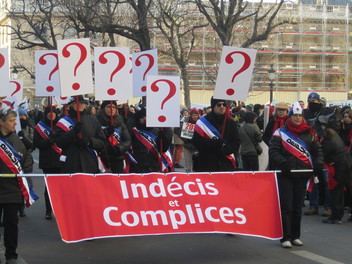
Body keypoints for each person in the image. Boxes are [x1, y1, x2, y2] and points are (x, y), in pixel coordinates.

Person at [269, 102, 324, 248]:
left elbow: (317, 151)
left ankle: (295, 236)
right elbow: (273, 151)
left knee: (297, 207)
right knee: (286, 207)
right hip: (286, 174)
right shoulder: (280, 132)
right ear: (290, 116)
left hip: (302, 174)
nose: (298, 118)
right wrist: (283, 163)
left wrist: (318, 164)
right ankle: (285, 237)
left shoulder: (310, 133)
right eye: (295, 115)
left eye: (300, 115)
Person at [0, 107, 34, 263]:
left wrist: (22, 174)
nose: (15, 124)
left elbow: (27, 159)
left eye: (15, 121)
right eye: (11, 121)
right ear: (1, 122)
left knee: (11, 224)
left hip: (12, 189)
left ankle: (11, 255)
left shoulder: (17, 141)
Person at [312, 110, 352, 224]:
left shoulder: (328, 140)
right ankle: (338, 215)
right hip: (344, 162)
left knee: (336, 190)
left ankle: (336, 216)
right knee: (347, 188)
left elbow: (321, 154)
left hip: (339, 165)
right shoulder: (333, 135)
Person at [54, 95, 110, 173]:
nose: (79, 104)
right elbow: (59, 142)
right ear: (71, 104)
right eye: (76, 103)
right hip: (71, 163)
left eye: (81, 103)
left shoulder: (93, 120)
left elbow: (102, 142)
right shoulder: (63, 121)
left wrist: (89, 142)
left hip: (90, 162)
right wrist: (73, 132)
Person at [303, 92, 337, 216]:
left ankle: (328, 206)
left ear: (319, 101)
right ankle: (314, 205)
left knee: (327, 180)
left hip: (325, 150)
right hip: (311, 149)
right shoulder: (305, 113)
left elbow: (334, 129)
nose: (312, 102)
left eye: (314, 101)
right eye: (310, 100)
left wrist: (325, 134)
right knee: (314, 179)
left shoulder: (326, 111)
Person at [192, 97, 240, 172]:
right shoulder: (202, 122)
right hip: (207, 164)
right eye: (219, 105)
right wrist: (216, 143)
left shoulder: (231, 123)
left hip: (226, 163)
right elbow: (197, 142)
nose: (222, 107)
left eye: (224, 105)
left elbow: (236, 142)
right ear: (213, 106)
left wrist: (226, 150)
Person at [33, 106, 61, 220]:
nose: (51, 114)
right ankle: (48, 210)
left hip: (61, 161)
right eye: (49, 112)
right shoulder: (39, 127)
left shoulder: (61, 125)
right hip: (47, 161)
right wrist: (48, 141)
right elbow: (37, 143)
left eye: (53, 112)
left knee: (61, 187)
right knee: (49, 188)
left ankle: (60, 209)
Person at [130, 107, 173, 173]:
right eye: (142, 117)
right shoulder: (134, 131)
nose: (145, 119)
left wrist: (165, 135)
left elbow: (163, 148)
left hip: (154, 164)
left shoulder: (157, 130)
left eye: (146, 117)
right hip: (139, 164)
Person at [96, 101, 132, 173]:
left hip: (117, 158)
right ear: (103, 108)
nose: (111, 109)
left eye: (113, 107)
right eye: (108, 107)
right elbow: (95, 138)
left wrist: (118, 148)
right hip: (102, 159)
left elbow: (128, 140)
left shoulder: (120, 123)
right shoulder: (97, 121)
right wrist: (106, 133)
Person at [180, 108, 200, 172]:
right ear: (191, 115)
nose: (195, 117)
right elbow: (177, 130)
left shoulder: (201, 123)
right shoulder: (185, 121)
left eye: (196, 115)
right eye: (194, 115)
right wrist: (185, 138)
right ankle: (188, 177)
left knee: (197, 164)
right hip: (187, 146)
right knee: (188, 165)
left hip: (198, 146)